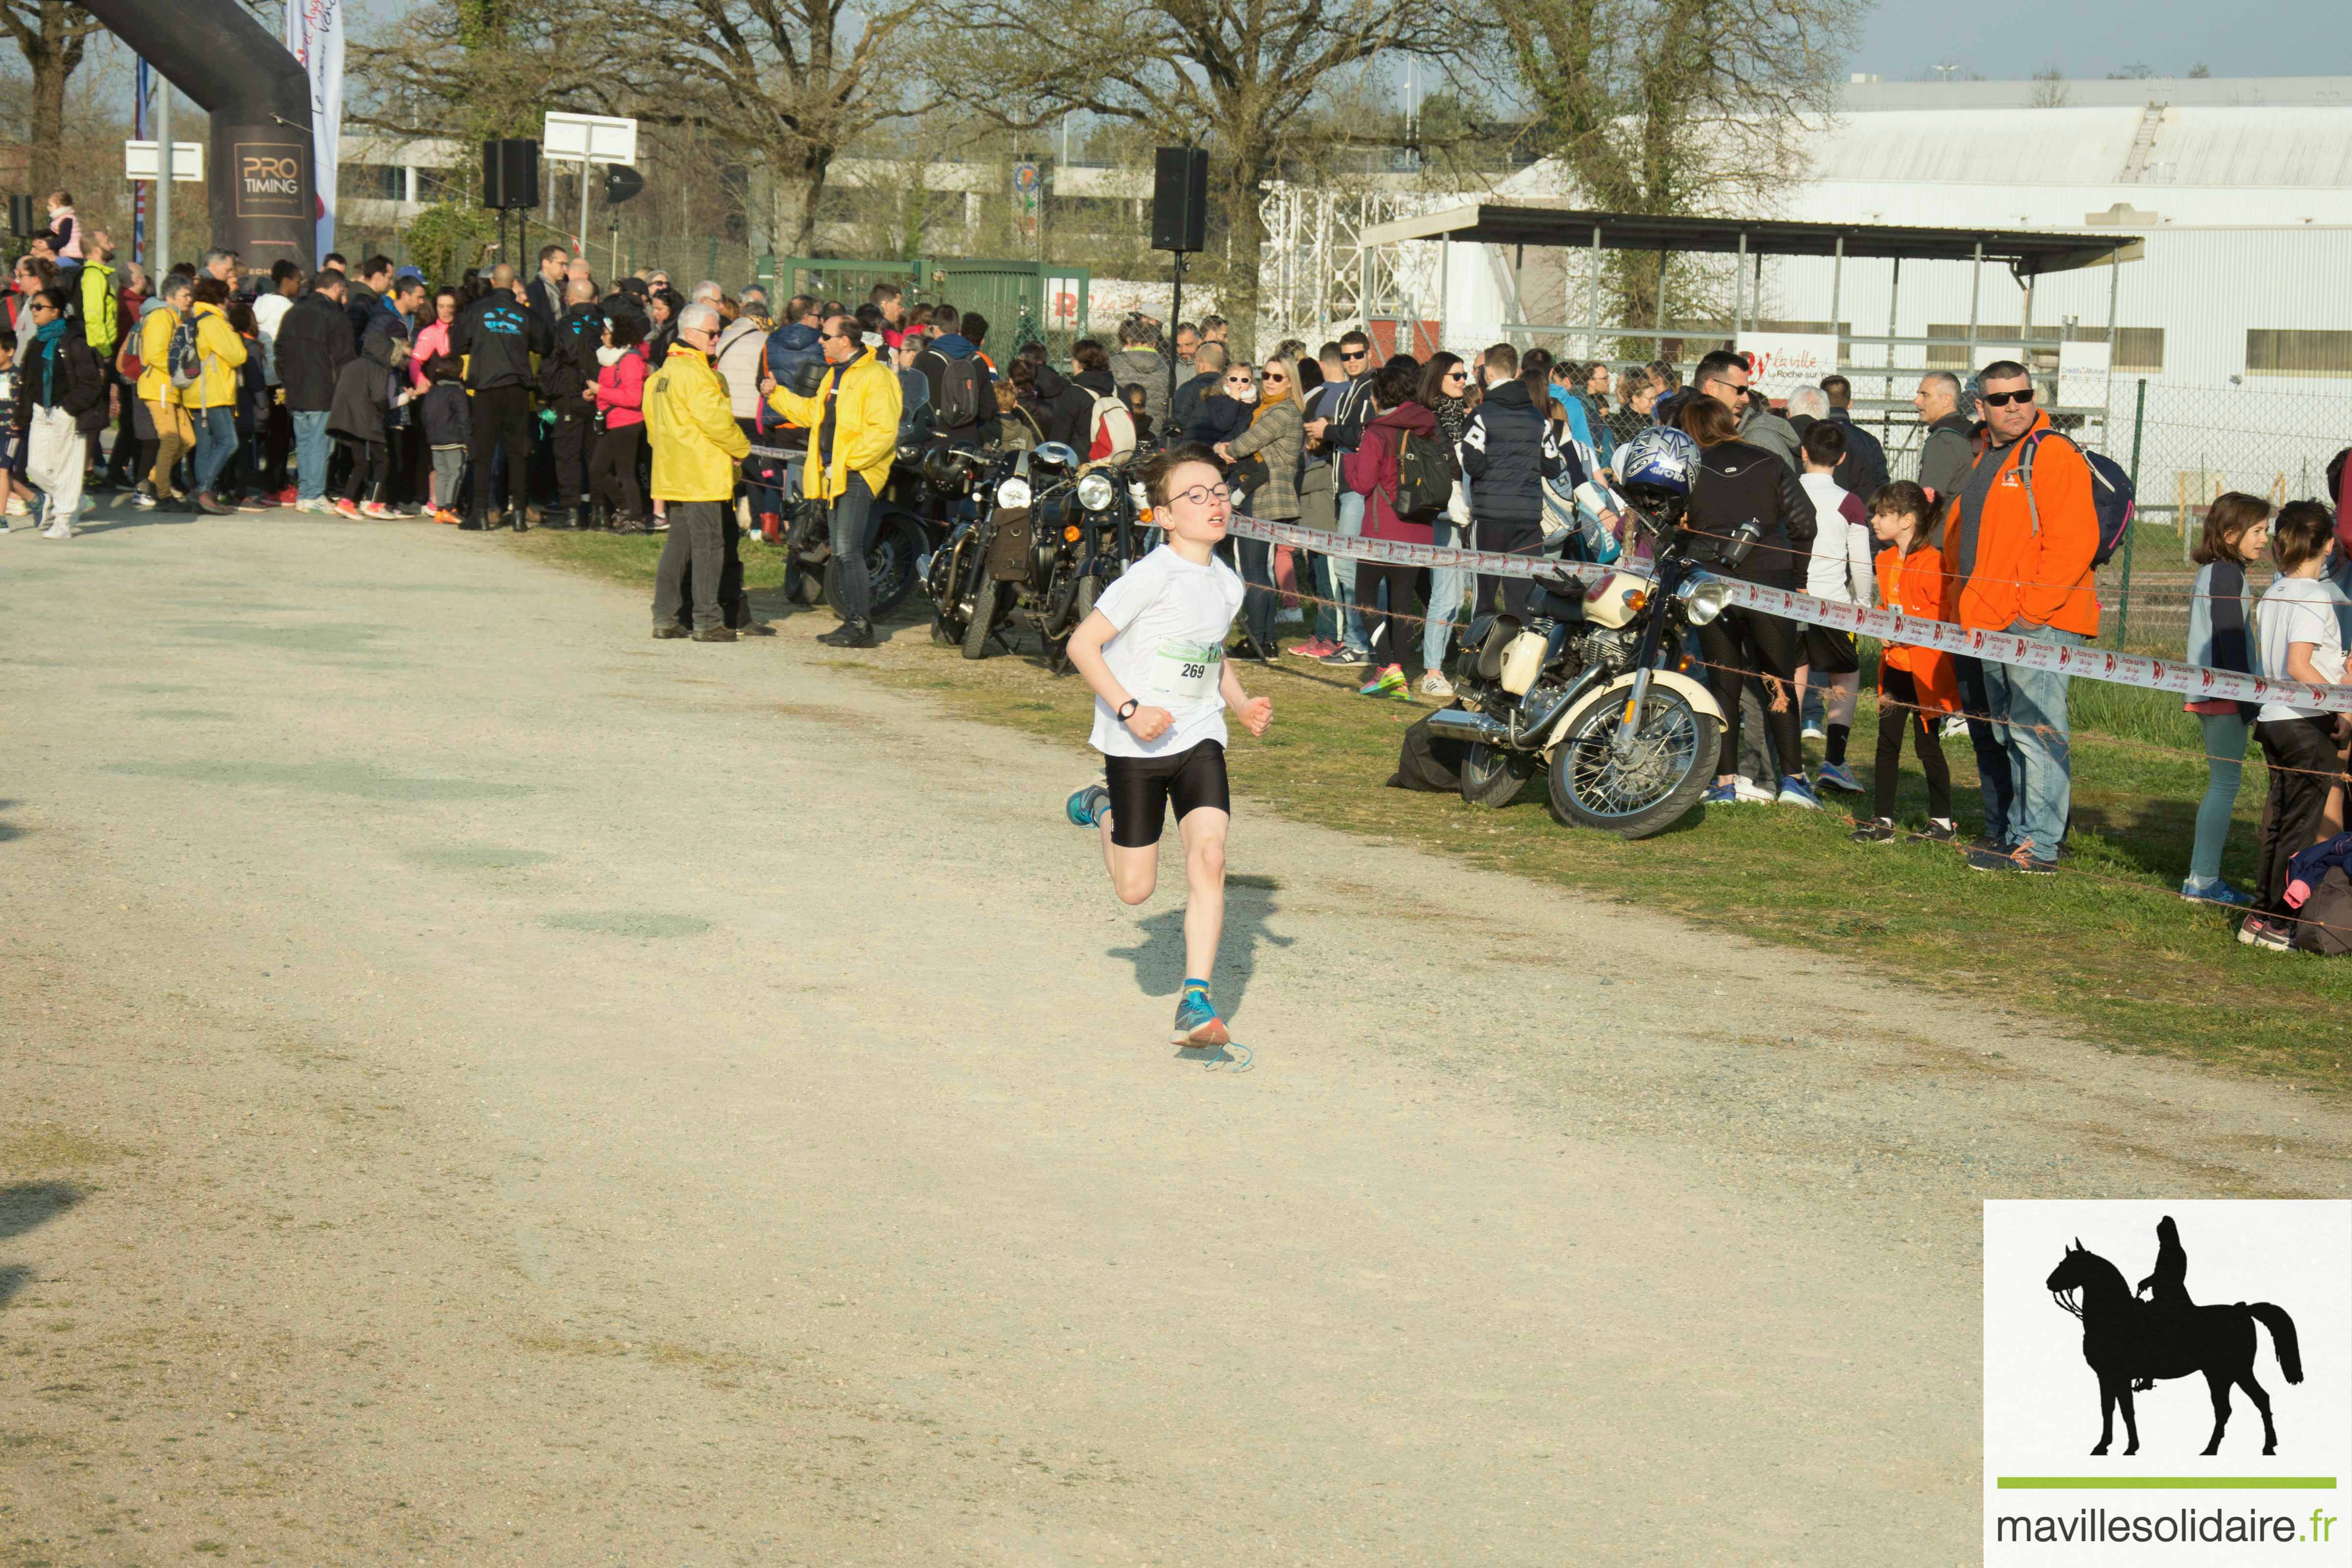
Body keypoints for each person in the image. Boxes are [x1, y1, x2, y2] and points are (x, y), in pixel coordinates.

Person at [1061, 442, 1272, 1050]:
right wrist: (1129, 709)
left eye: (1219, 491)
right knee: (1136, 889)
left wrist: (1240, 702)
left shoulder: (1227, 582)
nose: (1215, 502)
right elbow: (1082, 645)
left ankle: (1196, 996)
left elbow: (1210, 652)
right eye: (1195, 495)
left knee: (1209, 856)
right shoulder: (1148, 576)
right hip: (1136, 745)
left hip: (1200, 735)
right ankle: (1102, 805)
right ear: (1163, 515)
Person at [1944, 360, 2102, 874]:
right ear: (1979, 406)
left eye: (2022, 394)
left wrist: (2031, 613)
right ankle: (2017, 835)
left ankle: (2040, 847)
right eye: (2000, 398)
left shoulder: (2052, 453)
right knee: (2013, 732)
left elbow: (2074, 542)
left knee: (2039, 733)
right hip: (1990, 622)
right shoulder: (1988, 457)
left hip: (2035, 620)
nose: (2013, 405)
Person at [1676, 395, 1818, 808]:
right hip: (1771, 578)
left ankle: (1725, 782)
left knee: (1724, 682)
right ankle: (1793, 781)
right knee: (1778, 678)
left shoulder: (1690, 469)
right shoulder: (1769, 462)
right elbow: (1804, 522)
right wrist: (1799, 578)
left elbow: (1672, 524)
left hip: (1711, 580)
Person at [2241, 502, 2352, 951]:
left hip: (2274, 719)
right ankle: (2281, 923)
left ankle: (2259, 915)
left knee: (2279, 822)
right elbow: (2298, 665)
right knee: (2302, 830)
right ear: (2327, 544)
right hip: (2304, 723)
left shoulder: (2275, 592)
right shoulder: (2313, 595)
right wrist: (2340, 710)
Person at [762, 311, 901, 647]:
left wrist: (850, 463)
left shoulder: (876, 376)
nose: (820, 341)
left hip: (855, 474)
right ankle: (853, 621)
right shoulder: (834, 374)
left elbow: (884, 431)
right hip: (835, 474)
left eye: (826, 336)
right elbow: (814, 414)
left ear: (845, 340)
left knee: (847, 550)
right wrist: (777, 395)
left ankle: (860, 625)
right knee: (841, 552)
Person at [1849, 482, 1960, 845]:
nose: (1874, 521)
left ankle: (1942, 823)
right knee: (1886, 743)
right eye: (1876, 514)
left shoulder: (1934, 563)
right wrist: (1882, 625)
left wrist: (1907, 633)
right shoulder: (1884, 560)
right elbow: (1888, 606)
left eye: (1883, 515)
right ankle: (1883, 821)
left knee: (1927, 747)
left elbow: (1939, 619)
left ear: (1908, 520)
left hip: (1924, 673)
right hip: (1894, 668)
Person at [2179, 494, 2274, 906]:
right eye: (2257, 531)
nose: (2265, 539)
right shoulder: (2224, 574)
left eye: (2266, 530)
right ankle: (2202, 881)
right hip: (2224, 696)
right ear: (2231, 534)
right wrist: (2250, 702)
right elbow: (2231, 642)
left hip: (2218, 693)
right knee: (2223, 785)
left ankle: (2202, 878)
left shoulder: (2222, 571)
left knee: (2222, 783)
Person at [647, 302, 751, 641]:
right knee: (709, 543)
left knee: (678, 543)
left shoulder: (661, 375)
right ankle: (707, 621)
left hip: (673, 471)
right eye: (711, 332)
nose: (716, 338)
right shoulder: (697, 374)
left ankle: (664, 617)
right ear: (690, 334)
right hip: (702, 473)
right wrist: (741, 449)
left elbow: (653, 428)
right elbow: (717, 422)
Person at [1342, 358, 1441, 697]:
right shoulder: (1428, 426)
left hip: (1383, 529)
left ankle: (1386, 665)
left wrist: (1351, 456)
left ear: (1379, 395)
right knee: (1403, 603)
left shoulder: (1377, 432)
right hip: (1420, 527)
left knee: (1365, 598)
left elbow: (1362, 483)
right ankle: (1400, 670)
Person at [1459, 341, 1568, 627]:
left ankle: (1480, 655)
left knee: (1484, 594)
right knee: (1523, 596)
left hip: (1490, 515)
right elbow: (1552, 466)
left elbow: (1471, 462)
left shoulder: (1481, 415)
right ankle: (1519, 658)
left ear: (1488, 373)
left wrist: (1494, 472)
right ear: (1516, 371)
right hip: (1529, 518)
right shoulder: (1539, 419)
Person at [1793, 420, 1875, 794]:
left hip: (1790, 599)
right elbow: (1860, 563)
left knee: (1793, 676)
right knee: (1845, 678)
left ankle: (1789, 764)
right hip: (1833, 605)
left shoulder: (1786, 492)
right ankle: (1835, 762)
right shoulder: (1850, 501)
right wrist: (1863, 603)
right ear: (1841, 458)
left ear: (1803, 453)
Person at [450, 263, 551, 530]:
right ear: (512, 284)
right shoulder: (524, 314)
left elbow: (457, 344)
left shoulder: (476, 311)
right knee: (519, 452)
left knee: (482, 452)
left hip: (486, 389)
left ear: (494, 282)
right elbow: (544, 344)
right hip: (517, 390)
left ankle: (481, 513)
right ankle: (519, 513)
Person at [1215, 355, 1302, 662]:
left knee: (1253, 571)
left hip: (1266, 496)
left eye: (1277, 377)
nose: (1269, 381)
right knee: (1257, 570)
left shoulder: (1283, 412)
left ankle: (1260, 641)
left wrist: (1225, 448)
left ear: (1290, 382)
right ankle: (1264, 640)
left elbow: (1247, 443)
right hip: (1261, 493)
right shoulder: (1266, 409)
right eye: (1265, 375)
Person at [1303, 331, 1379, 664]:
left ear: (1370, 354)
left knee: (1349, 568)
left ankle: (1359, 642)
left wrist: (1329, 431)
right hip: (1347, 487)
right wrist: (1330, 431)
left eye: (1357, 355)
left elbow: (1367, 434)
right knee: (1357, 568)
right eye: (1346, 356)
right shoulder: (1353, 389)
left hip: (1359, 490)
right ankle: (1369, 640)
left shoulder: (1371, 387)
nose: (1352, 362)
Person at [1411, 352, 1473, 696]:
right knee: (1444, 593)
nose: (1463, 381)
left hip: (1462, 511)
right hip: (1441, 512)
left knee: (1456, 596)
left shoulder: (1458, 419)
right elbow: (1444, 466)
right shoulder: (1429, 419)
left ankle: (1440, 662)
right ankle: (1432, 670)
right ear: (1438, 379)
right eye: (1456, 376)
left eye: (1464, 376)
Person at [18, 287, 103, 538]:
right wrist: (22, 414)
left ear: (56, 312)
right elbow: (28, 382)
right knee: (35, 469)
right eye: (32, 306)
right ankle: (68, 499)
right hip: (41, 411)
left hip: (67, 412)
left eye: (39, 307)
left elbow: (91, 383)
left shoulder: (74, 342)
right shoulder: (36, 341)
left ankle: (64, 520)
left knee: (68, 465)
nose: (33, 311)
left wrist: (68, 409)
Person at [274, 271, 355, 516]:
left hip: (296, 389)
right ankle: (314, 494)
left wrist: (287, 381)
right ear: (337, 288)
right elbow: (345, 360)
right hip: (323, 390)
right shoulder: (335, 316)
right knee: (321, 444)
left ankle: (306, 494)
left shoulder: (292, 313)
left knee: (305, 443)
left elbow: (280, 350)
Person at [178, 276, 248, 516]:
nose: (229, 303)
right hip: (214, 393)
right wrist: (234, 334)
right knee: (229, 442)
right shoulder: (214, 323)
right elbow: (237, 356)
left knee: (205, 447)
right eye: (227, 298)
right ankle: (204, 489)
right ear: (220, 300)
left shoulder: (194, 319)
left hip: (195, 393)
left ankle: (201, 494)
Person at [328, 330, 414, 519]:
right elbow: (379, 398)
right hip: (367, 421)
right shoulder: (380, 369)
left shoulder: (353, 365)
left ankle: (347, 502)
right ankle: (374, 504)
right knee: (382, 462)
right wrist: (392, 405)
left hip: (345, 419)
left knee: (361, 463)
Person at [711, 295, 778, 539]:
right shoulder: (765, 340)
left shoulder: (725, 336)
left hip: (726, 410)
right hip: (752, 411)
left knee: (731, 467)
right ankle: (759, 523)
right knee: (755, 469)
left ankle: (729, 519)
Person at [542, 276, 606, 527]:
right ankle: (600, 511)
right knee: (598, 455)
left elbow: (551, 362)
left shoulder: (563, 326)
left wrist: (547, 394)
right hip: (602, 398)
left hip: (569, 398)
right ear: (593, 299)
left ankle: (571, 512)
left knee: (567, 456)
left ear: (569, 299)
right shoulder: (606, 324)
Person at [1691, 349, 1800, 470]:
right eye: (1739, 390)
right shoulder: (1681, 429)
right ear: (1711, 387)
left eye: (1746, 390)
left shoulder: (1759, 440)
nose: (1746, 398)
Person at [591, 315, 651, 530]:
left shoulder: (630, 359)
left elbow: (634, 398)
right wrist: (594, 395)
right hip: (613, 419)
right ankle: (628, 511)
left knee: (620, 471)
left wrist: (601, 392)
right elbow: (613, 388)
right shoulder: (610, 358)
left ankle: (633, 515)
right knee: (603, 470)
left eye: (606, 333)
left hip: (627, 422)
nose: (602, 337)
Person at [249, 259, 301, 500]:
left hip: (259, 375)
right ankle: (275, 487)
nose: (299, 286)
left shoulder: (260, 303)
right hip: (279, 378)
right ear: (286, 281)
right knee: (279, 435)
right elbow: (288, 345)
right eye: (298, 281)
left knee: (264, 432)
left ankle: (262, 479)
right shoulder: (286, 309)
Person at [916, 304, 989, 447]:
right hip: (967, 443)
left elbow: (914, 402)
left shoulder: (924, 358)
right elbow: (989, 410)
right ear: (959, 329)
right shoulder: (978, 361)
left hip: (932, 439)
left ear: (935, 329)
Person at [1818, 374, 1888, 500]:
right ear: (1850, 404)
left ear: (1821, 402)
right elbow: (1882, 485)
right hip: (1862, 514)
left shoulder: (1813, 437)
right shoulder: (1870, 442)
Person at [419, 354, 470, 523]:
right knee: (456, 473)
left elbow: (425, 415)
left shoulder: (433, 391)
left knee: (441, 473)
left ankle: (440, 509)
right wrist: (467, 440)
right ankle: (450, 508)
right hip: (454, 439)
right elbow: (463, 418)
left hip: (435, 440)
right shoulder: (457, 391)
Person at [1912, 371, 1974, 504]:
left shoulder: (1943, 441)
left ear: (1946, 400)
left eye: (1925, 395)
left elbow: (1930, 500)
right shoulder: (1970, 433)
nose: (1917, 401)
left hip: (1945, 522)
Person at [1107, 317, 1168, 435]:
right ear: (1154, 343)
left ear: (1129, 341)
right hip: (1154, 432)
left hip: (1120, 429)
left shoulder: (1115, 363)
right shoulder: (1166, 368)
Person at [1183, 357, 1253, 448]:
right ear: (1226, 381)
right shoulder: (1217, 398)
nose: (1238, 384)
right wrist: (1234, 400)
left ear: (1251, 384)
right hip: (1220, 445)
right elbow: (1224, 425)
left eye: (1244, 380)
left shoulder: (1255, 400)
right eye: (1233, 379)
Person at [1170, 339, 1225, 439]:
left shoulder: (1188, 388)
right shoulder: (1231, 390)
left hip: (1191, 448)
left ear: (1201, 364)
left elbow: (1178, 424)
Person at [1607, 365, 1660, 447]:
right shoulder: (1619, 425)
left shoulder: (1650, 421)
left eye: (1655, 399)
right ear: (1636, 399)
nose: (1654, 403)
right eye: (1650, 399)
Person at [344, 255, 392, 348]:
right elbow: (352, 341)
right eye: (389, 278)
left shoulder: (371, 301)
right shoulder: (360, 303)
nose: (391, 283)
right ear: (377, 277)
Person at [525, 244, 571, 333]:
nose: (565, 269)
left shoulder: (559, 291)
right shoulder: (533, 291)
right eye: (561, 264)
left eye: (566, 265)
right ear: (545, 263)